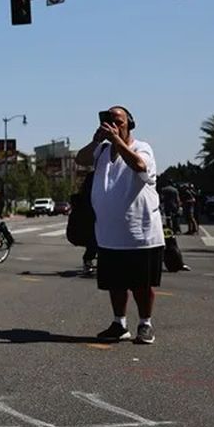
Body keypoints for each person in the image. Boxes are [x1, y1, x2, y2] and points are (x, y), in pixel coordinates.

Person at [76, 106, 163, 345]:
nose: (114, 125)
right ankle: (119, 323)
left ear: (130, 124)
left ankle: (145, 324)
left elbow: (139, 166)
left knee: (141, 284)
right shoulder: (101, 151)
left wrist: (116, 140)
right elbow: (80, 160)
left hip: (140, 233)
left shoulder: (142, 148)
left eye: (119, 121)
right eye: (109, 121)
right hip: (109, 233)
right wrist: (96, 141)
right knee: (116, 283)